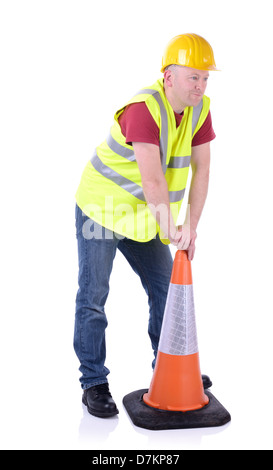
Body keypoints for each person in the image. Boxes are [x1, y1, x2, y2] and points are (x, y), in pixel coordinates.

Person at [74, 33, 218, 418]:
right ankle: (93, 383)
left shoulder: (200, 110)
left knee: (165, 290)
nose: (201, 86)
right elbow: (153, 181)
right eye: (193, 77)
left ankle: (169, 368)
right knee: (94, 297)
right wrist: (173, 228)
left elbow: (203, 169)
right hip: (102, 210)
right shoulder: (143, 109)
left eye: (205, 78)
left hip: (142, 215)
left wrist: (192, 225)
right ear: (169, 77)